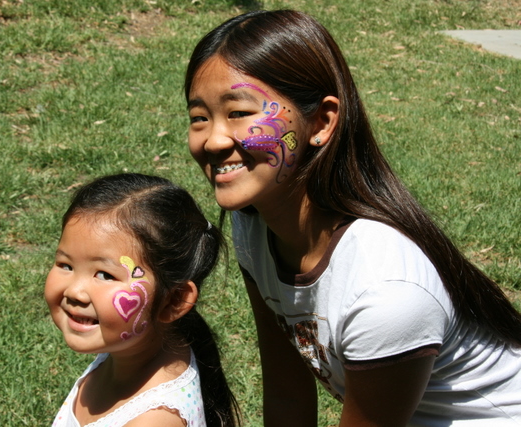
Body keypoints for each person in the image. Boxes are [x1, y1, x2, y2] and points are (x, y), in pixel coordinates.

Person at [185, 9, 521, 427]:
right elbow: (288, 393)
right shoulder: (254, 223)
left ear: (322, 122)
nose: (214, 140)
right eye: (199, 118)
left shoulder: (386, 291)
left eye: (238, 113)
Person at [45, 173, 239, 427]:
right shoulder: (130, 354)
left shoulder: (155, 419)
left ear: (174, 301)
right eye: (66, 265)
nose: (75, 291)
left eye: (105, 275)